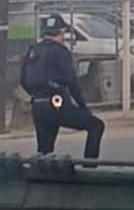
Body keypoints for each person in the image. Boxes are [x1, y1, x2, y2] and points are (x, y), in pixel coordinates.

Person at [20, 14, 105, 158]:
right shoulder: (61, 51)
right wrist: (83, 106)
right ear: (61, 32)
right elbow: (71, 81)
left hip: (37, 106)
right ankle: (89, 165)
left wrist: (36, 95)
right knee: (96, 126)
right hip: (57, 105)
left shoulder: (32, 51)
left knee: (45, 150)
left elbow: (23, 80)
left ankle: (42, 170)